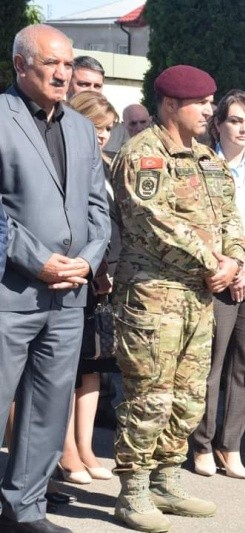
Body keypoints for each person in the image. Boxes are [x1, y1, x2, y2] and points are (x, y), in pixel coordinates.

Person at [110, 65, 245, 532]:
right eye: (202, 103)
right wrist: (215, 263)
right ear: (171, 105)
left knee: (188, 398)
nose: (212, 110)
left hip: (199, 298)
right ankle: (132, 492)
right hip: (154, 295)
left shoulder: (208, 159)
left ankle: (167, 480)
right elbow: (152, 220)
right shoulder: (143, 155)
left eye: (212, 102)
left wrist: (233, 260)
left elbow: (231, 216)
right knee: (149, 396)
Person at [0, 24, 111, 533]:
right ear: (21, 66)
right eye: (51, 64)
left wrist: (87, 259)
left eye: (68, 64)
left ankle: (24, 509)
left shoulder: (82, 128)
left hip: (68, 295)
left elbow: (97, 208)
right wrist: (34, 258)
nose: (63, 73)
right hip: (12, 291)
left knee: (47, 408)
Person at [190, 90, 245, 480]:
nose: (243, 128)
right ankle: (202, 444)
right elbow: (194, 221)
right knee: (211, 364)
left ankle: (232, 443)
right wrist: (224, 264)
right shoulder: (200, 161)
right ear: (218, 124)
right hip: (213, 275)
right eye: (235, 120)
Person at [54, 91, 120, 488]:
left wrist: (107, 267)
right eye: (97, 126)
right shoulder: (66, 161)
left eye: (108, 129)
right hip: (70, 276)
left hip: (100, 281)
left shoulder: (108, 166)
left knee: (92, 368)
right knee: (64, 370)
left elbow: (112, 224)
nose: (103, 136)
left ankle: (86, 445)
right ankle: (64, 449)